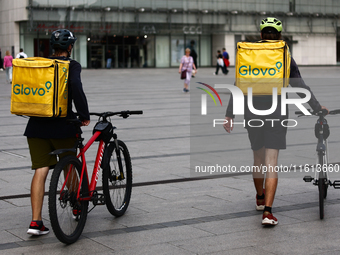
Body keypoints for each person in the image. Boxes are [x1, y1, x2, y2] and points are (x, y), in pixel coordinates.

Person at [223, 17, 328, 226]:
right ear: (279, 36)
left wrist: (230, 114)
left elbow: (238, 84)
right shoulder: (283, 53)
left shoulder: (249, 53)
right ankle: (268, 213)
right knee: (271, 163)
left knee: (258, 160)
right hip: (277, 113)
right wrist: (317, 107)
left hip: (251, 111)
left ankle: (260, 198)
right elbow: (300, 85)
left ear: (261, 34)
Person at [25, 29, 90, 235]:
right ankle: (77, 206)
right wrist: (84, 114)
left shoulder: (41, 64)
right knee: (69, 167)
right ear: (69, 47)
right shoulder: (71, 65)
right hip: (63, 125)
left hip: (35, 126)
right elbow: (75, 86)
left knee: (40, 170)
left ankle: (35, 222)